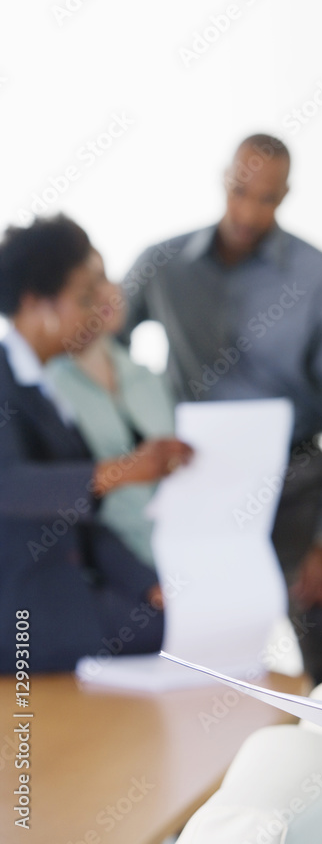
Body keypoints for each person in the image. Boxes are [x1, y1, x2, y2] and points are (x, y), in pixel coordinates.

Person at [120, 134, 322, 685]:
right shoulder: (163, 265)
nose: (248, 210)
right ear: (224, 180)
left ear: (285, 196)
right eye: (241, 191)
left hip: (296, 486)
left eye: (266, 198)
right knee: (193, 642)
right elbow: (96, 349)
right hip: (195, 484)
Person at [0, 215, 192, 672]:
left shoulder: (46, 390)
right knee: (174, 639)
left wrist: (150, 584)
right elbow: (8, 484)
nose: (95, 312)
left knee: (187, 624)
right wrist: (125, 469)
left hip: (72, 594)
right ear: (35, 303)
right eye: (83, 298)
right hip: (24, 613)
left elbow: (86, 521)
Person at [47, 249, 176, 567]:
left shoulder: (146, 377)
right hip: (100, 577)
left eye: (103, 277)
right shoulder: (43, 389)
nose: (105, 293)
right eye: (86, 287)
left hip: (175, 563)